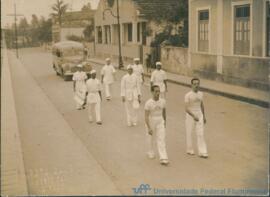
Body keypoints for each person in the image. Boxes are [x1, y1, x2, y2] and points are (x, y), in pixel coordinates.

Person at [145, 85, 169, 166]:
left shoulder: (163, 101)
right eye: (156, 91)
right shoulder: (148, 103)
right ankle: (150, 151)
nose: (158, 93)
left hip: (160, 120)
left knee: (161, 138)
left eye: (159, 91)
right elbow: (146, 116)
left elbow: (164, 113)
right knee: (150, 138)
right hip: (151, 120)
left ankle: (163, 157)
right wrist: (148, 127)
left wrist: (164, 122)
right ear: (152, 92)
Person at [185, 77, 208, 158]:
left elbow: (201, 105)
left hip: (199, 114)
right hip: (190, 115)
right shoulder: (188, 95)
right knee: (189, 132)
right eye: (194, 84)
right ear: (191, 85)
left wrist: (204, 116)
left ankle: (202, 151)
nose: (196, 85)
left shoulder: (201, 94)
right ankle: (190, 149)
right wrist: (193, 116)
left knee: (200, 133)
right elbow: (186, 108)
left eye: (198, 84)